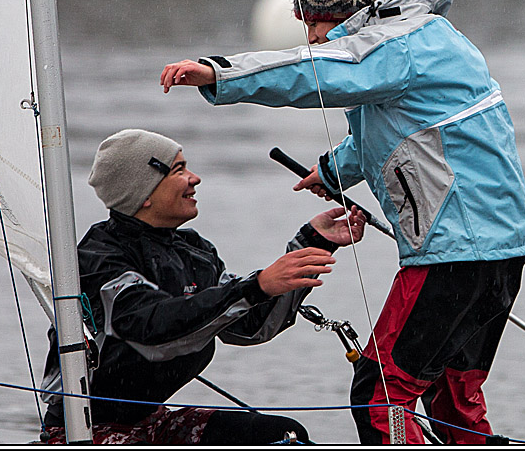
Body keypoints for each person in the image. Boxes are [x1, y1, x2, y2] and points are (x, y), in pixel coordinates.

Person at [159, 0, 525, 444]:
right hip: (501, 250)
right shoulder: (423, 39)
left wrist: (218, 73)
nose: (310, 41)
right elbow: (399, 133)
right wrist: (333, 169)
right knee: (453, 390)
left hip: (453, 254)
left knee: (381, 389)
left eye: (312, 29)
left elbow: (311, 75)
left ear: (341, 17)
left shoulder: (390, 48)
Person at [38, 128, 366, 445]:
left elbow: (250, 327)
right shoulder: (98, 256)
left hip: (151, 423)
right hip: (82, 431)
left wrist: (312, 245)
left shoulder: (195, 251)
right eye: (179, 169)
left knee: (283, 435)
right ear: (144, 193)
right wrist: (256, 286)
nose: (195, 178)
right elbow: (149, 328)